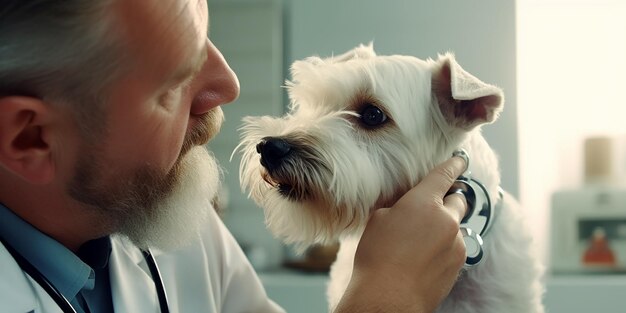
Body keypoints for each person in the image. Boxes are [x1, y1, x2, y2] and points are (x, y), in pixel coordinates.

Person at [0, 0, 468, 312]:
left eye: (207, 39)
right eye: (176, 79)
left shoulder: (176, 227)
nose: (228, 86)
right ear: (31, 138)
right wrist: (386, 298)